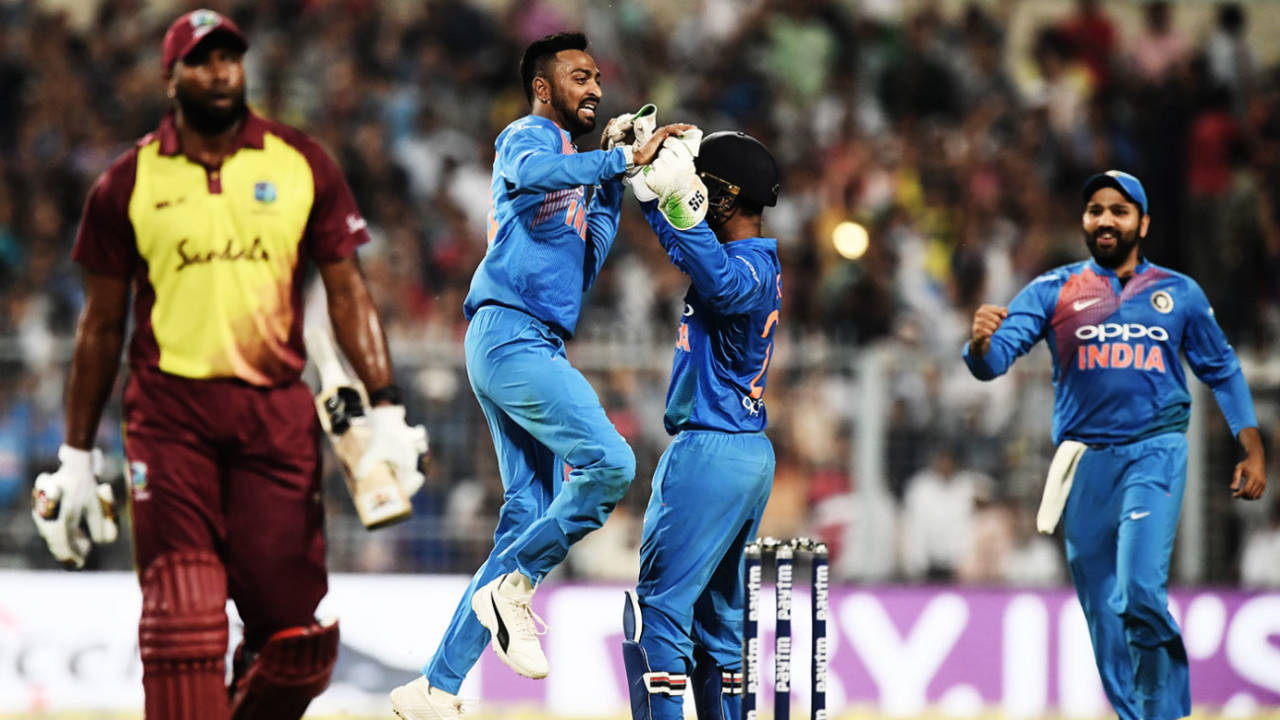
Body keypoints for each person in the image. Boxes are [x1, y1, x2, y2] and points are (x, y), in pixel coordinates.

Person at [28, 10, 426, 719]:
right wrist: (77, 455)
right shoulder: (126, 183)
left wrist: (388, 407)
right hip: (169, 419)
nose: (219, 73)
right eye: (201, 61)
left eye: (229, 59)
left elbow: (348, 291)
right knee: (183, 615)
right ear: (169, 76)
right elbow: (98, 329)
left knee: (296, 643)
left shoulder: (300, 162)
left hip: (275, 418)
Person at [390, 32, 687, 719]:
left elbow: (586, 261)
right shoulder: (529, 137)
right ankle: (516, 585)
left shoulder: (576, 167)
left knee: (526, 513)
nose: (595, 89)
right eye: (581, 77)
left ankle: (434, 687)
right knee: (610, 463)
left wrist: (620, 183)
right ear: (545, 88)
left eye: (598, 79)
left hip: (533, 339)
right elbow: (526, 176)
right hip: (510, 334)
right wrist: (614, 157)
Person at [963, 170, 1266, 720]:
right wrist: (979, 343)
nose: (1105, 219)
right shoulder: (1053, 290)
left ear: (1142, 223)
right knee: (1104, 614)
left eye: (1119, 211)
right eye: (1095, 210)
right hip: (1083, 464)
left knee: (1139, 590)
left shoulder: (1179, 293)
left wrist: (1252, 446)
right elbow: (994, 363)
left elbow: (1221, 369)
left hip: (1154, 451)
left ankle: (1165, 715)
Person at [619, 129, 782, 720]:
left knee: (656, 616)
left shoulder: (747, 269)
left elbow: (718, 279)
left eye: (699, 184)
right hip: (744, 454)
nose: (690, 190)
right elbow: (693, 254)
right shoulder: (747, 257)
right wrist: (645, 190)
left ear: (725, 196)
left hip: (710, 450)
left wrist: (671, 204)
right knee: (719, 621)